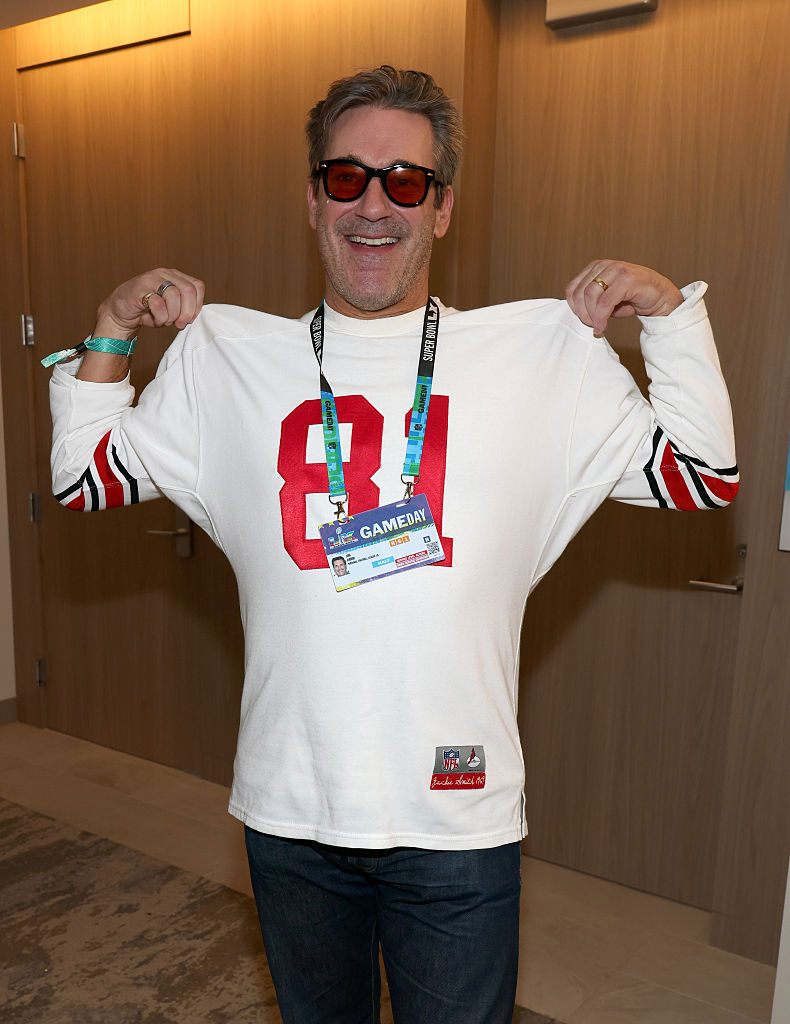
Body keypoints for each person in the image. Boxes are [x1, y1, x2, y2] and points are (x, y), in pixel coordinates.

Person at [47, 66, 738, 1023]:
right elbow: (85, 478)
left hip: (456, 818)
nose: (374, 204)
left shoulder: (539, 360)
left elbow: (702, 475)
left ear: (442, 208)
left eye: (406, 181)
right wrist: (112, 330)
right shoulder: (226, 358)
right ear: (313, 198)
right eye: (346, 177)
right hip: (291, 813)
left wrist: (669, 313)